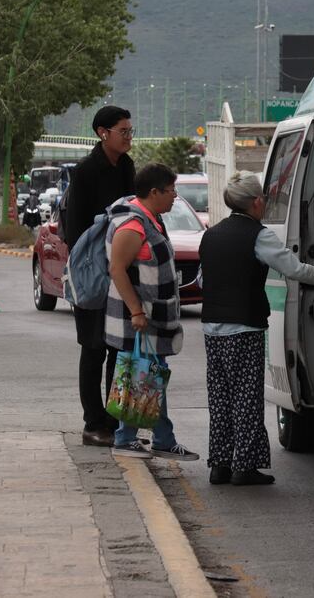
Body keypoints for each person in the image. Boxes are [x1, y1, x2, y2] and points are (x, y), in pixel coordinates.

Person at [199, 171, 314, 486]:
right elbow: (294, 269)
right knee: (246, 397)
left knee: (220, 398)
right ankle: (244, 467)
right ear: (257, 202)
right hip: (244, 326)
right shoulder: (259, 236)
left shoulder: (211, 234)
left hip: (212, 328)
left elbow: (206, 280)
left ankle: (219, 464)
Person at [105, 163, 198, 461]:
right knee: (142, 376)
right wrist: (136, 311)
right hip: (140, 319)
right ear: (154, 192)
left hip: (153, 316)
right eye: (171, 191)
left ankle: (161, 438)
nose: (175, 197)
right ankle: (127, 438)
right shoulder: (132, 226)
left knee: (152, 376)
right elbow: (117, 270)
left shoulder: (152, 219)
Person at [64, 106, 136, 447]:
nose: (129, 137)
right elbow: (76, 229)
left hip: (121, 270)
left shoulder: (127, 166)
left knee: (118, 349)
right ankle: (93, 423)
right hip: (94, 269)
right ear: (102, 132)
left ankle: (114, 419)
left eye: (130, 131)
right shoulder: (86, 171)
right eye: (123, 131)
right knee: (92, 348)